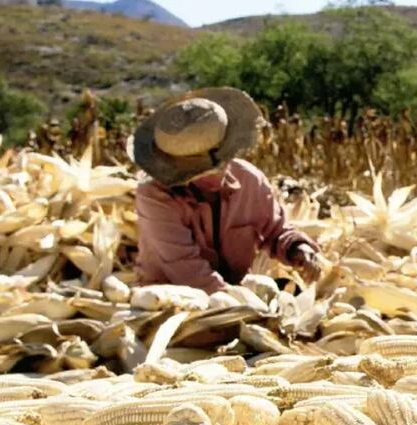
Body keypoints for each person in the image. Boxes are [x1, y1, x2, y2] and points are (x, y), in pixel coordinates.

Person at [128, 87, 320, 294]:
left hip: (235, 292)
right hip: (167, 297)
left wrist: (297, 248)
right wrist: (236, 299)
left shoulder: (249, 180)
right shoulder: (155, 195)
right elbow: (185, 266)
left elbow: (276, 230)